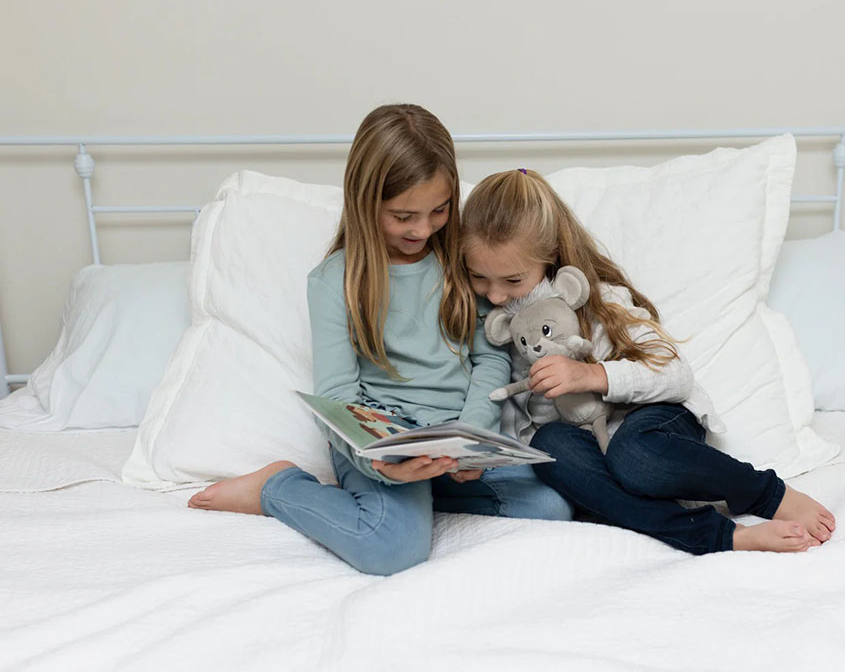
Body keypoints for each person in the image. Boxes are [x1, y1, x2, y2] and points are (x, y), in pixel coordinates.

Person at [188, 106, 570, 575]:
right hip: (385, 442)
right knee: (390, 549)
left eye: (438, 211)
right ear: (365, 201)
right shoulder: (335, 281)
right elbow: (337, 397)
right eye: (403, 216)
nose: (422, 230)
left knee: (552, 508)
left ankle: (418, 500)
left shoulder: (464, 262)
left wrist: (472, 437)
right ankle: (276, 487)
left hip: (452, 438)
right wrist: (379, 466)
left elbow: (489, 360)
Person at [460, 168, 836, 555]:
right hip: (590, 449)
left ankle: (766, 493)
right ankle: (722, 536)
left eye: (513, 280)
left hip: (653, 424)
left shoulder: (601, 301)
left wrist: (590, 375)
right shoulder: (493, 326)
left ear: (550, 256)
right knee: (550, 446)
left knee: (633, 455)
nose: (495, 295)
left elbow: (677, 376)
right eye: (479, 277)